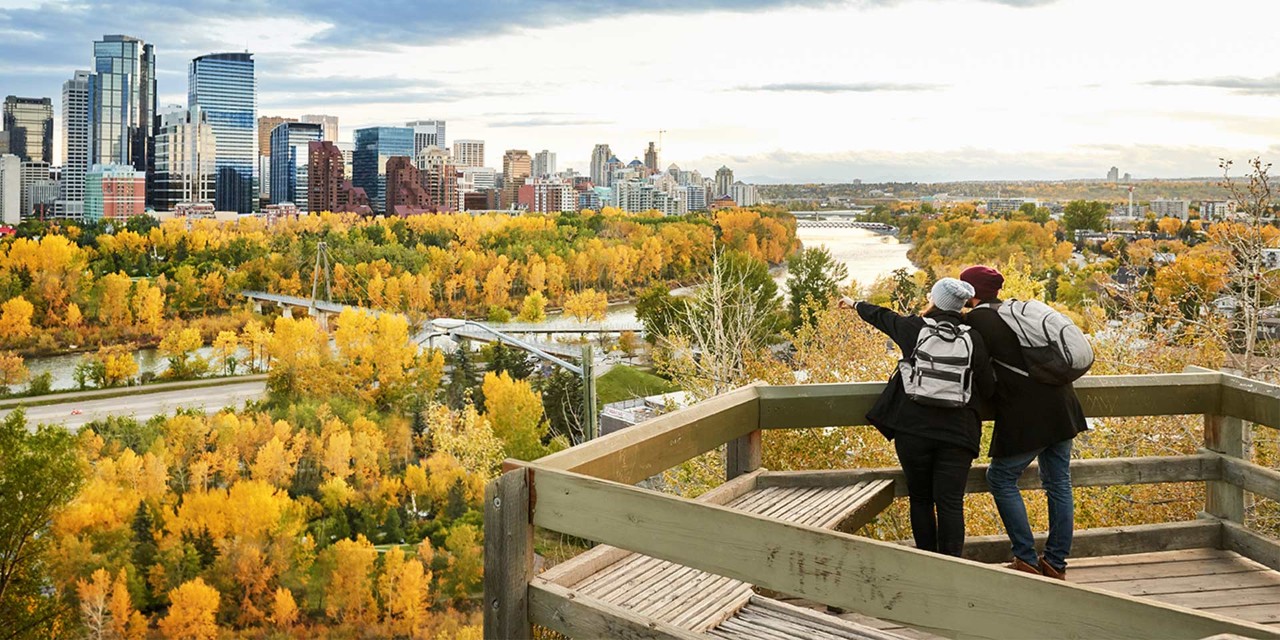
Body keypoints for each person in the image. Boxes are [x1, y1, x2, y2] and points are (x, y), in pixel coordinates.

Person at [840, 278, 995, 557]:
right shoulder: (973, 338)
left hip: (913, 429)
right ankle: (951, 569)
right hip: (958, 433)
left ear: (935, 300)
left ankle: (927, 565)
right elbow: (988, 386)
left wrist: (854, 304)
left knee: (921, 499)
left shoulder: (915, 328)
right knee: (950, 503)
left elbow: (883, 317)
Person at [960, 265, 1088, 579]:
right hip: (1062, 404)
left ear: (972, 293)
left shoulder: (978, 320)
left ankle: (1026, 558)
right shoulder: (1013, 313)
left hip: (1029, 413)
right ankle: (1055, 563)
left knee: (1001, 478)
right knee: (1058, 483)